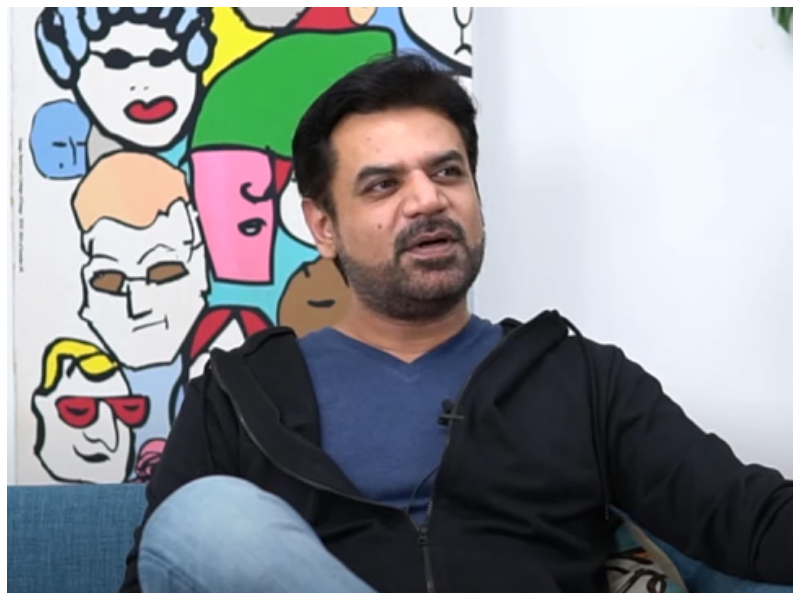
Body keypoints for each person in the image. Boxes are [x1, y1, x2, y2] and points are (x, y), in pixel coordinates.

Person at [119, 54, 792, 593]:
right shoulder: (240, 394)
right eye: (383, 185)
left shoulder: (580, 378)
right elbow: (160, 577)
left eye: (448, 172)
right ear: (323, 226)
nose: (428, 199)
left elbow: (754, 522)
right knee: (205, 520)